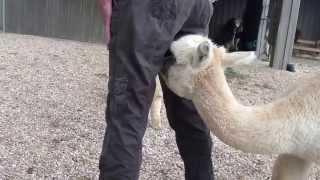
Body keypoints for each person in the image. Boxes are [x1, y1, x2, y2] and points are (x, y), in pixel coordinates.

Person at [98, 0, 215, 179]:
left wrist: (107, 7)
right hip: (195, 7)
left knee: (128, 110)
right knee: (190, 108)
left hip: (144, 8)